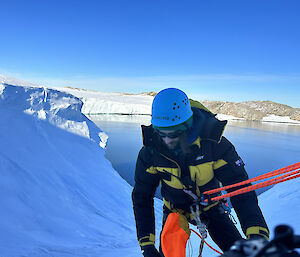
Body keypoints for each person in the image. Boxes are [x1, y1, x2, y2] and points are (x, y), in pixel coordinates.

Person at [132, 88, 269, 257]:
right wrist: (147, 244)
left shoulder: (215, 145)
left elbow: (240, 189)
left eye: (173, 133)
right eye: (161, 133)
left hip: (211, 207)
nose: (166, 140)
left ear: (187, 127)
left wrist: (257, 233)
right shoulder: (151, 151)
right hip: (175, 210)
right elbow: (142, 196)